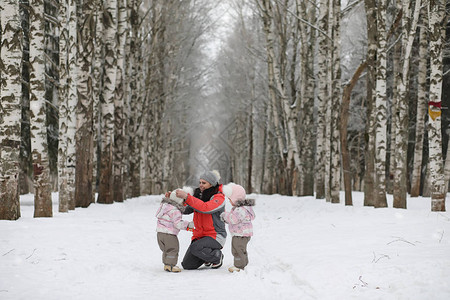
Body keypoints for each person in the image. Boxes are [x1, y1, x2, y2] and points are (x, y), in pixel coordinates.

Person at [174, 170, 227, 270]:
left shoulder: (219, 198)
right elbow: (186, 210)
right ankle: (206, 256)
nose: (200, 185)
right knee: (187, 265)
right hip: (200, 236)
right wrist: (174, 200)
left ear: (211, 184)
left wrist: (187, 197)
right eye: (200, 182)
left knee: (195, 248)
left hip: (215, 236)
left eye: (204, 183)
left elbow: (205, 208)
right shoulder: (198, 195)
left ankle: (216, 256)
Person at [156, 187, 194, 273]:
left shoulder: (165, 206)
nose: (185, 204)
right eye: (184, 201)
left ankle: (166, 264)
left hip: (159, 233)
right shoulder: (175, 210)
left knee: (166, 250)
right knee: (173, 249)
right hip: (169, 234)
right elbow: (178, 223)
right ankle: (171, 265)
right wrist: (189, 225)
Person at [221, 183, 255, 272]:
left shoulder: (240, 209)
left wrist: (224, 216)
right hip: (244, 234)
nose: (229, 201)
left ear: (236, 198)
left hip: (240, 234)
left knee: (236, 249)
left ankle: (239, 266)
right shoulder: (244, 208)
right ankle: (244, 263)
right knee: (241, 249)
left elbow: (233, 219)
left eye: (230, 199)